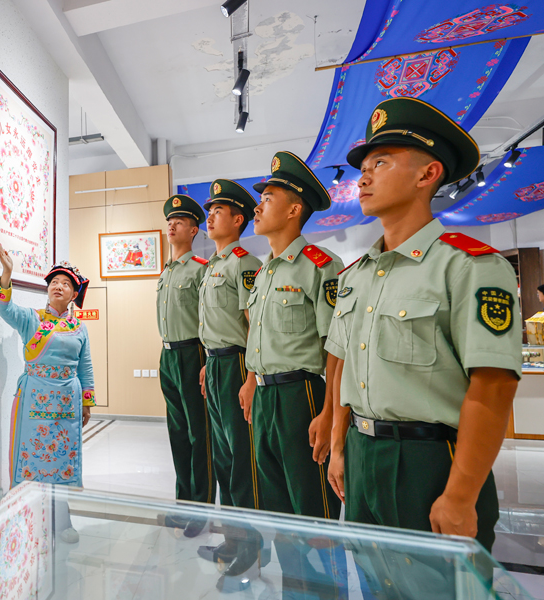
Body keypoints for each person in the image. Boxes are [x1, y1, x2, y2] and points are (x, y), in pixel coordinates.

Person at [325, 97, 521, 599]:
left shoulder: (468, 266)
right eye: (363, 168)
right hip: (365, 459)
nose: (363, 178)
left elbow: (492, 387)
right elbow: (346, 373)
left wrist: (461, 494)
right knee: (374, 584)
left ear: (427, 173)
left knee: (440, 591)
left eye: (380, 164)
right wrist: (342, 448)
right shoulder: (356, 277)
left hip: (431, 462)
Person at [241, 152, 346, 597]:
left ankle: (324, 592)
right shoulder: (264, 272)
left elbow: (336, 351)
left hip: (302, 396)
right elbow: (256, 336)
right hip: (265, 399)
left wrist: (330, 415)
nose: (258, 206)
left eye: (267, 196)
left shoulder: (321, 266)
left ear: (294, 209)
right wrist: (249, 381)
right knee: (278, 514)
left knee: (313, 516)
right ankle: (293, 591)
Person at [0, 241, 95, 542]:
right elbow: (3, 306)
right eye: (54, 282)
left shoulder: (79, 328)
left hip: (66, 402)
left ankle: (62, 522)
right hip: (34, 401)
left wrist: (87, 402)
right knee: (33, 460)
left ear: (74, 295)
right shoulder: (33, 319)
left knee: (62, 460)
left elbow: (85, 366)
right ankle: (28, 519)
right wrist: (7, 274)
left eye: (65, 284)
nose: (58, 287)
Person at [195, 180, 264, 593]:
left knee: (242, 460)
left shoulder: (245, 263)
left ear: (238, 219)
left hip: (239, 365)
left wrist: (252, 375)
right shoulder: (212, 267)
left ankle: (252, 549)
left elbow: (254, 326)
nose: (211, 216)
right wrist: (206, 361)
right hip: (217, 364)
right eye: (210, 210)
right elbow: (211, 327)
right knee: (222, 458)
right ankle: (233, 538)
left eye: (218, 210)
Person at [155, 194, 214, 537]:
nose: (171, 225)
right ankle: (183, 503)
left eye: (179, 221)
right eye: (169, 221)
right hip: (168, 356)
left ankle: (202, 509)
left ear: (194, 230)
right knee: (177, 434)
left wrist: (205, 358)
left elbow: (207, 319)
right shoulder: (167, 271)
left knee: (198, 434)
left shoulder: (201, 270)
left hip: (193, 355)